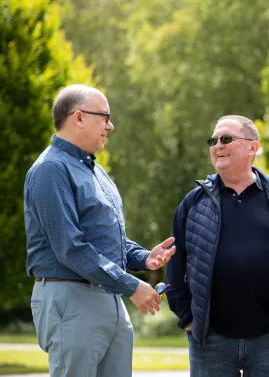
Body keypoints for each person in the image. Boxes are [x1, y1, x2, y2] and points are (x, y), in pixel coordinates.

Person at [24, 84, 176, 377]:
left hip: (108, 295)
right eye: (104, 116)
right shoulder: (50, 170)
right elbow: (71, 247)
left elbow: (105, 238)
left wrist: (144, 258)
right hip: (71, 295)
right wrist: (131, 285)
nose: (111, 125)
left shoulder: (94, 170)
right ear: (78, 117)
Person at [166, 115, 269, 377]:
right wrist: (187, 317)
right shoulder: (194, 201)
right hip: (210, 339)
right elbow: (176, 262)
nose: (218, 145)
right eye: (214, 140)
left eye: (227, 139)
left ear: (253, 147)